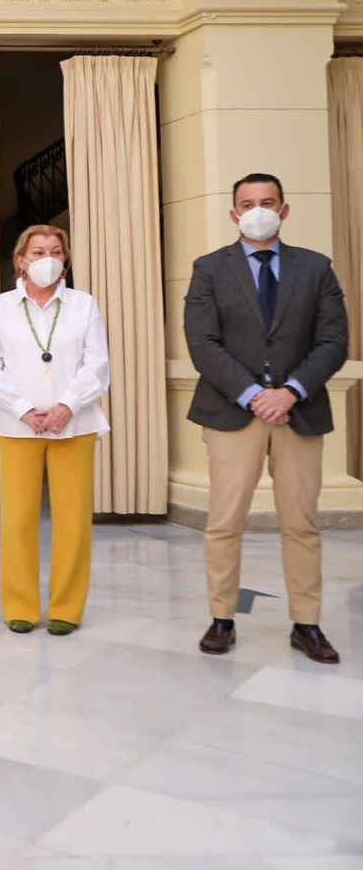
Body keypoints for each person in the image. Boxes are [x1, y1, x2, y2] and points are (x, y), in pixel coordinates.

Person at [184, 173, 348, 664]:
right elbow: (202, 343)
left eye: (268, 202)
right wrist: (255, 394)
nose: (258, 210)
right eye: (248, 204)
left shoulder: (316, 268)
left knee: (301, 523)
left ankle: (307, 624)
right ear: (234, 214)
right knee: (224, 521)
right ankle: (222, 617)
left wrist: (291, 391)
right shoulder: (209, 269)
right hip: (233, 410)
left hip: (299, 411)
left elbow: (334, 341)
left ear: (285, 209)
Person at [0, 225, 110, 636]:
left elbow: (97, 363)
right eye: (37, 251)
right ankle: (21, 605)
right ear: (21, 260)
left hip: (75, 424)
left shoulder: (83, 305)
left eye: (55, 251)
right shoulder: (0, 307)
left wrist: (67, 405)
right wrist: (25, 410)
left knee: (73, 519)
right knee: (17, 519)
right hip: (17, 426)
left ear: (65, 259)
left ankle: (67, 607)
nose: (46, 258)